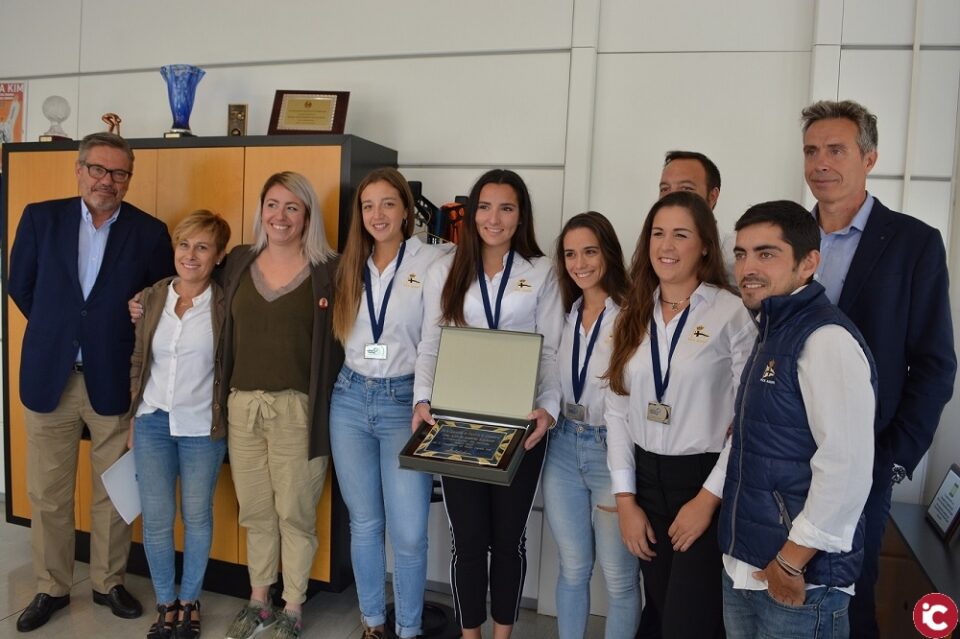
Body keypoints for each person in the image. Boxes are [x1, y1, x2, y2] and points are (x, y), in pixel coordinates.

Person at [800, 99, 957, 639]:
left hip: (866, 455)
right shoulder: (786, 236)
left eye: (836, 150)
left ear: (869, 158)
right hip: (785, 448)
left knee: (849, 598)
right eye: (811, 151)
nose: (821, 162)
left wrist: (893, 459)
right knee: (779, 589)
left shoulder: (914, 243)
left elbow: (935, 364)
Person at [9, 132, 174, 633]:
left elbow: (160, 301)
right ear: (79, 170)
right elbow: (20, 285)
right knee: (48, 493)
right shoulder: (41, 218)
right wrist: (61, 329)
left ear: (129, 179)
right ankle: (51, 586)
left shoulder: (149, 232)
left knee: (115, 490)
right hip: (50, 377)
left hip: (114, 378)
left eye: (119, 173)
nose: (107, 181)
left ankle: (108, 582)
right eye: (98, 169)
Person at [413, 168, 563, 639]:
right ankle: (470, 634)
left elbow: (552, 351)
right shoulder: (445, 270)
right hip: (458, 422)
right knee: (468, 541)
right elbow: (431, 344)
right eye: (484, 207)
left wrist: (549, 409)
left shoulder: (541, 272)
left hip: (521, 424)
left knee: (509, 540)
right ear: (471, 212)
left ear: (521, 216)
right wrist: (422, 399)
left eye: (506, 208)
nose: (493, 219)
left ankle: (502, 635)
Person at [718, 200, 876, 639]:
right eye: (742, 254)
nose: (748, 267)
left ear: (809, 263)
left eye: (766, 254)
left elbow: (846, 465)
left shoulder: (826, 339)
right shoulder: (771, 330)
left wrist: (790, 561)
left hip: (800, 580)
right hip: (749, 567)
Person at [604, 191, 755, 639]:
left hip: (703, 481)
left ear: (705, 246)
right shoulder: (634, 311)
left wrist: (708, 500)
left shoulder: (731, 312)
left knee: (688, 621)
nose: (666, 246)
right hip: (646, 483)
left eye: (680, 235)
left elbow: (748, 421)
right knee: (659, 608)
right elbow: (616, 411)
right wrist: (625, 500)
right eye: (658, 234)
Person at [220, 172, 344, 639]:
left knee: (294, 511)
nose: (280, 216)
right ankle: (259, 601)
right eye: (272, 204)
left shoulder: (329, 269)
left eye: (293, 207)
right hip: (242, 406)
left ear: (307, 215)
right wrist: (146, 300)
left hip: (298, 410)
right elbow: (192, 279)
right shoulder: (238, 260)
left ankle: (292, 606)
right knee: (255, 510)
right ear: (261, 210)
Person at [329, 168, 451, 639]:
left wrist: (424, 397)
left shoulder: (433, 260)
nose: (377, 214)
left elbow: (434, 339)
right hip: (349, 399)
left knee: (409, 533)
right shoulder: (348, 263)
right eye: (367, 206)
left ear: (406, 210)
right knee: (364, 524)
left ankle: (409, 629)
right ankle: (373, 624)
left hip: (405, 401)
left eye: (387, 204)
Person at [127, 210, 231, 639]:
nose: (191, 255)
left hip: (201, 427)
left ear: (219, 256)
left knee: (197, 516)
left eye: (203, 247)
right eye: (184, 244)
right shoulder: (153, 297)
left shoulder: (224, 304)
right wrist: (132, 417)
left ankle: (189, 602)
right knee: (155, 520)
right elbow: (139, 359)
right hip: (151, 421)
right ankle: (165, 604)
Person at [541, 212, 640, 639]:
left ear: (608, 254)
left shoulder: (632, 314)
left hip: (610, 449)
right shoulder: (564, 312)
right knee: (573, 568)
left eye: (589, 252)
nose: (579, 264)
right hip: (563, 445)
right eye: (570, 255)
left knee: (619, 579)